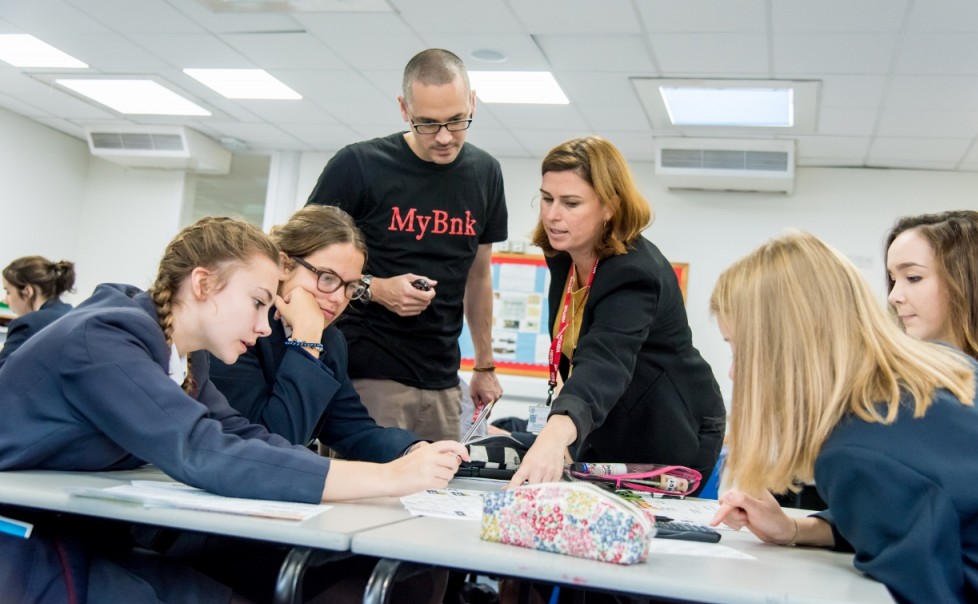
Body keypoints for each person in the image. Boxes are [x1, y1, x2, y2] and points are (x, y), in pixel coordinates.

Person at [0, 216, 467, 604]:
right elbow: (203, 450)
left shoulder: (185, 359)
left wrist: (398, 473)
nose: (266, 326)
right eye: (258, 302)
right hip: (24, 546)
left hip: (78, 535)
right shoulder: (104, 338)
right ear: (203, 284)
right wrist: (389, 477)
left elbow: (243, 435)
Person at [708, 231, 978, 604]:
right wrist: (795, 529)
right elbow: (930, 510)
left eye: (738, 350)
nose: (733, 373)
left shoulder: (858, 448)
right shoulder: (942, 367)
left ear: (783, 351)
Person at [307, 47, 507, 442]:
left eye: (457, 120)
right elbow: (303, 262)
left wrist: (484, 365)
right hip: (368, 373)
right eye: (428, 124)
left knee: (438, 499)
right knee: (372, 498)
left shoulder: (486, 173)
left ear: (473, 101)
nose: (445, 137)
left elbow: (478, 276)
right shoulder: (359, 166)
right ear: (403, 109)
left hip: (444, 380)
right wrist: (375, 288)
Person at [509, 136, 726, 491]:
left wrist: (553, 437)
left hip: (668, 425)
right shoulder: (564, 257)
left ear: (609, 207)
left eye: (571, 203)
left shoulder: (634, 271)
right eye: (547, 199)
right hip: (607, 420)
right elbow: (576, 352)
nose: (552, 214)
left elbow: (605, 360)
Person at [209, 205, 423, 461]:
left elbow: (352, 430)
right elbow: (272, 445)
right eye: (327, 278)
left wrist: (414, 449)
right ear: (285, 265)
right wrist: (306, 340)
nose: (337, 298)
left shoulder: (330, 340)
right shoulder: (242, 327)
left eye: (350, 286)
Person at [885, 210, 978, 402]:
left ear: (973, 283)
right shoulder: (902, 389)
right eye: (893, 280)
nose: (893, 297)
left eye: (913, 278)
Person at [0, 255, 75, 369]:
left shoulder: (28, 324)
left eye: (8, 292)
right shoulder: (71, 313)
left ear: (27, 291)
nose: (4, 300)